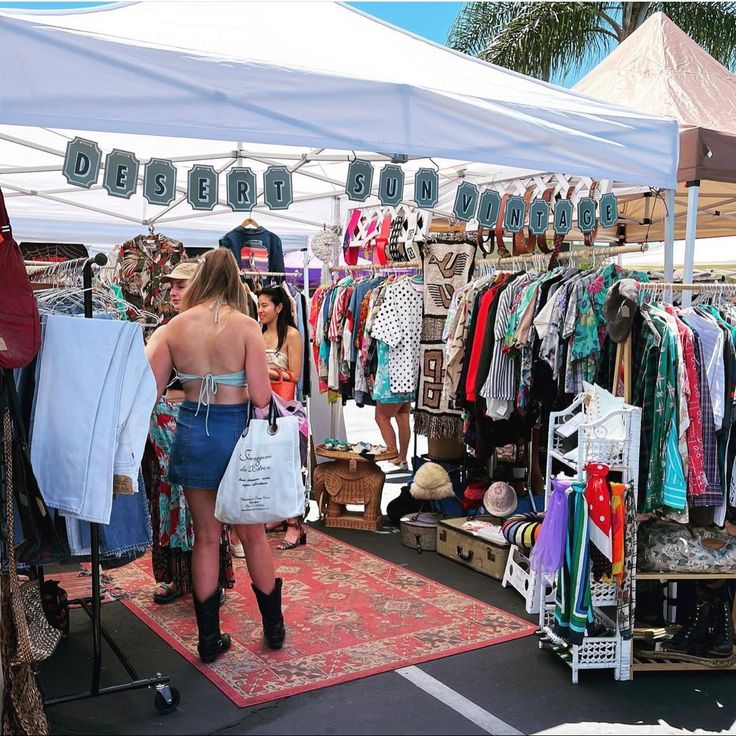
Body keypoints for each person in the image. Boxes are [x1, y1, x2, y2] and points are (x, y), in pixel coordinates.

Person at [146, 248, 284, 663]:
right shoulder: (246, 326)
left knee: (205, 537)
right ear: (234, 281)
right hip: (236, 437)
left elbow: (149, 389)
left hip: (193, 432)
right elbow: (260, 396)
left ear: (201, 279)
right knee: (252, 535)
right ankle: (273, 628)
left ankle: (209, 640)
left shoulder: (175, 327)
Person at [146, 259, 238, 606]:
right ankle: (179, 579)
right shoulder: (169, 328)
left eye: (181, 285)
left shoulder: (216, 327)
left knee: (202, 511)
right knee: (170, 503)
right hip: (166, 425)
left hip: (196, 424)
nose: (173, 291)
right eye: (170, 285)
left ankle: (210, 584)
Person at [257, 285, 306, 550]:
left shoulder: (292, 335)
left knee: (288, 465)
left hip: (284, 407)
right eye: (259, 305)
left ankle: (294, 523)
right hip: (260, 407)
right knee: (268, 465)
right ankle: (277, 514)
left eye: (265, 305)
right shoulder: (256, 334)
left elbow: (295, 375)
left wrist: (267, 372)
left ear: (279, 307)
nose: (260, 310)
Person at [375, 400, 411, 472]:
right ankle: (402, 460)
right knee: (402, 415)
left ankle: (394, 459)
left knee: (381, 417)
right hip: (407, 389)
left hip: (390, 390)